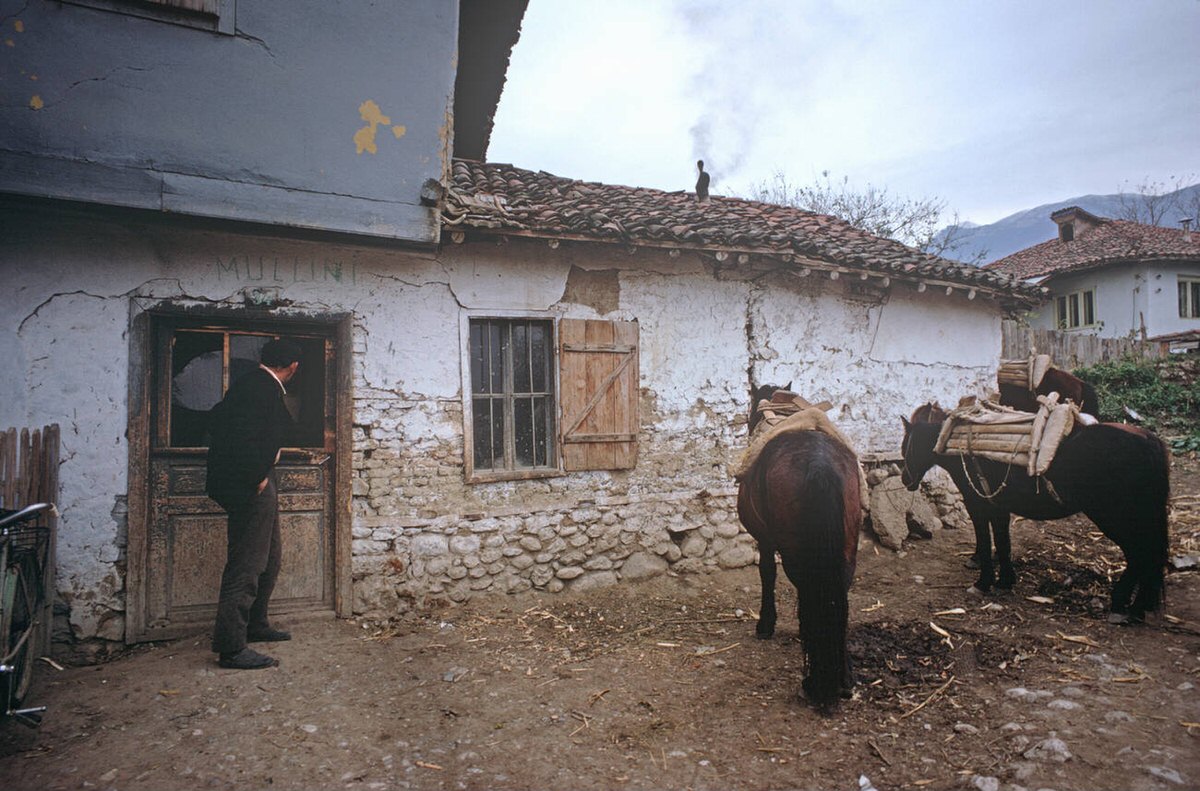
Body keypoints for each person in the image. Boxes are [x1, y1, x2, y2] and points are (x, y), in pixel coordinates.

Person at [205, 338, 301, 669]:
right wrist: (255, 474)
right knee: (246, 565)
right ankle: (231, 647)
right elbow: (230, 430)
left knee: (269, 558)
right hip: (251, 485)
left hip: (259, 479)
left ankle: (256, 624)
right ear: (292, 367)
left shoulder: (256, 386)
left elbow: (223, 422)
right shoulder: (258, 388)